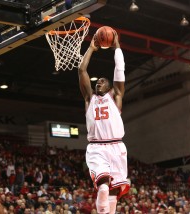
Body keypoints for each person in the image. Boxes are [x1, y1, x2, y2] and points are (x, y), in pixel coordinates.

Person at [78, 31, 130, 214]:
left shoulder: (116, 97)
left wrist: (117, 48)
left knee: (114, 193)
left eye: (102, 81)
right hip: (97, 148)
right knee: (103, 186)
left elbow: (120, 70)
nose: (98, 83)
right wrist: (91, 48)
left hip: (117, 147)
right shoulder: (89, 99)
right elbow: (82, 70)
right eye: (97, 82)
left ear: (109, 86)